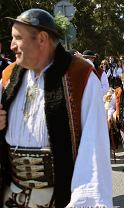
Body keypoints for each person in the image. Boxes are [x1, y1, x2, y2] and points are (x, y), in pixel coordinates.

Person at [0, 9, 112, 207]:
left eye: (18, 38)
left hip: (58, 198)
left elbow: (93, 150)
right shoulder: (9, 76)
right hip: (11, 196)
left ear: (41, 39)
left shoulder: (80, 76)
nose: (12, 46)